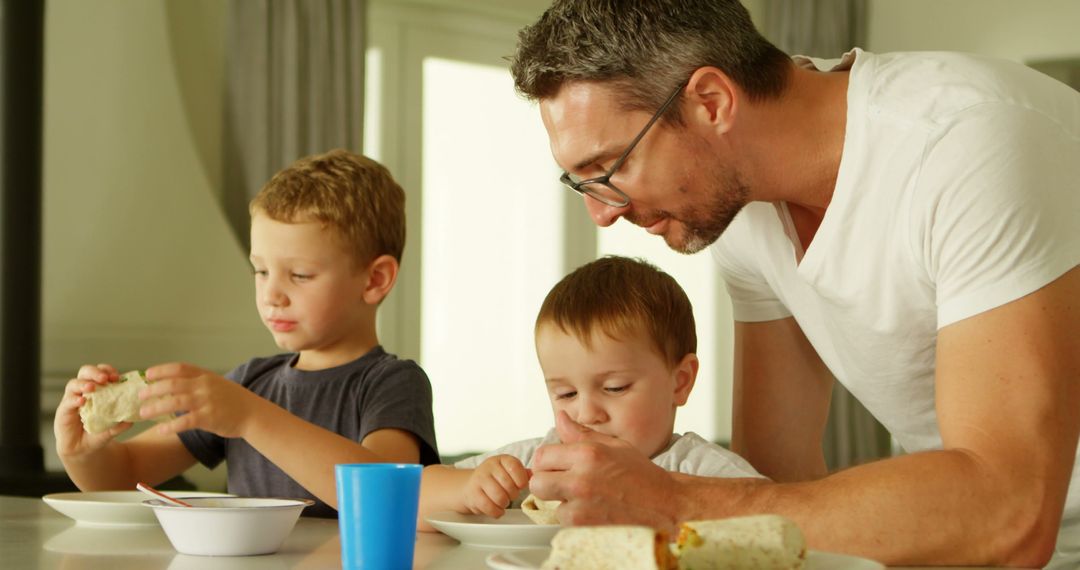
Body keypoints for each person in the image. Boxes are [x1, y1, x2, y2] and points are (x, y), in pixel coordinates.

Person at [509, 1, 1080, 567]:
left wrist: (670, 499)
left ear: (711, 103)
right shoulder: (740, 210)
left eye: (610, 169)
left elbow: (1012, 513)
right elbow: (774, 489)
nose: (602, 216)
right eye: (580, 183)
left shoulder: (967, 142)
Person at [53, 149, 440, 518]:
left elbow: (387, 496)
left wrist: (250, 417)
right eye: (261, 271)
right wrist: (81, 452)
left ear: (375, 279)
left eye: (300, 275)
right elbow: (121, 475)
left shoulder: (393, 383)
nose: (271, 294)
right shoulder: (250, 383)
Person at [416, 256, 763, 531]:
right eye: (565, 394)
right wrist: (470, 488)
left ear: (680, 381)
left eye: (615, 388)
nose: (586, 413)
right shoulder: (540, 461)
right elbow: (406, 501)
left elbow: (778, 529)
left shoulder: (702, 471)